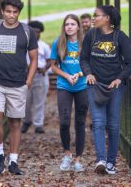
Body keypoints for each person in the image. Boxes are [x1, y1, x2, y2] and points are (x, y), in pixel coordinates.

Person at [0, 0, 38, 175]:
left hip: (18, 83)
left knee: (14, 122)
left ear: (19, 12)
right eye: (8, 11)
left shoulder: (27, 32)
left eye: (15, 12)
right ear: (2, 11)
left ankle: (13, 161)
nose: (11, 15)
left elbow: (34, 59)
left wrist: (28, 81)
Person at [80, 5, 131, 175]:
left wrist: (119, 79)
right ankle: (101, 160)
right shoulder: (91, 35)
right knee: (98, 122)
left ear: (107, 18)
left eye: (96, 15)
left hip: (115, 86)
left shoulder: (120, 37)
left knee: (112, 125)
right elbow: (83, 59)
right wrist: (88, 73)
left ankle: (111, 162)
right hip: (95, 85)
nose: (93, 18)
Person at [50, 14, 88, 172]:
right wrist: (66, 76)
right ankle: (67, 154)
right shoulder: (58, 43)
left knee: (80, 122)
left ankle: (78, 159)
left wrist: (78, 75)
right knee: (64, 121)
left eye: (73, 24)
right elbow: (53, 66)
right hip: (64, 85)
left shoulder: (85, 43)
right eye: (67, 24)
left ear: (78, 26)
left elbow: (91, 64)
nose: (70, 27)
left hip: (82, 86)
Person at [21, 21, 51, 134]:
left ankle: (38, 124)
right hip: (26, 76)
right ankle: (26, 121)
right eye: (33, 31)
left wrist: (45, 68)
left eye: (38, 32)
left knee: (39, 101)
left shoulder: (44, 46)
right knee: (26, 101)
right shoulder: (24, 45)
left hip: (40, 76)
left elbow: (50, 60)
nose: (35, 34)